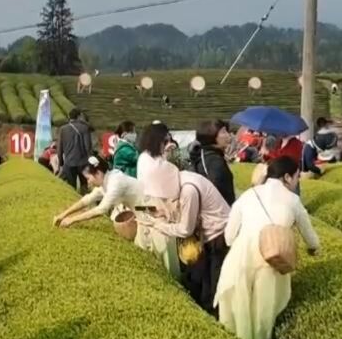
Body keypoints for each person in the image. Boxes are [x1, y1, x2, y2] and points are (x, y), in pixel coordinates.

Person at [215, 157, 321, 339]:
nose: (298, 182)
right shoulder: (293, 200)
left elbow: (229, 238)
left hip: (240, 259)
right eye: (297, 177)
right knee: (262, 319)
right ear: (287, 177)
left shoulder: (248, 195)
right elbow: (310, 236)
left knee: (236, 315)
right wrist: (314, 248)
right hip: (271, 261)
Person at [138, 159, 231, 315]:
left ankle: (214, 317)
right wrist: (163, 213)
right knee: (198, 277)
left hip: (217, 235)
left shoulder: (188, 190)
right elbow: (180, 209)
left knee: (212, 284)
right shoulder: (181, 179)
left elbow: (185, 229)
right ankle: (203, 308)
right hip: (205, 233)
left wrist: (157, 225)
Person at [52, 154, 147, 237]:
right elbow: (87, 200)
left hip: (148, 208)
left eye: (88, 178)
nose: (88, 182)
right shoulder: (105, 181)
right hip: (138, 208)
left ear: (98, 173)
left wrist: (71, 220)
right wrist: (62, 215)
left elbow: (101, 210)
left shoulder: (115, 182)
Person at [137, 122, 183, 279]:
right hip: (161, 215)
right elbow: (175, 191)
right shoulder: (165, 167)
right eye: (165, 141)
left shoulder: (143, 158)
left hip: (143, 209)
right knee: (167, 261)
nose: (167, 144)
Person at [189, 120, 236, 205]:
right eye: (223, 132)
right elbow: (219, 192)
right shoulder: (214, 161)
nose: (228, 135)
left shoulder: (203, 154)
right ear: (212, 136)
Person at [57, 108, 94, 192]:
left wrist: (61, 162)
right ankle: (85, 202)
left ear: (68, 117)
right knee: (84, 186)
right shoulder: (84, 128)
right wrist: (91, 160)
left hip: (69, 162)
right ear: (79, 116)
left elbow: (59, 148)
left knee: (71, 187)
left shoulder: (63, 129)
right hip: (83, 162)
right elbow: (88, 147)